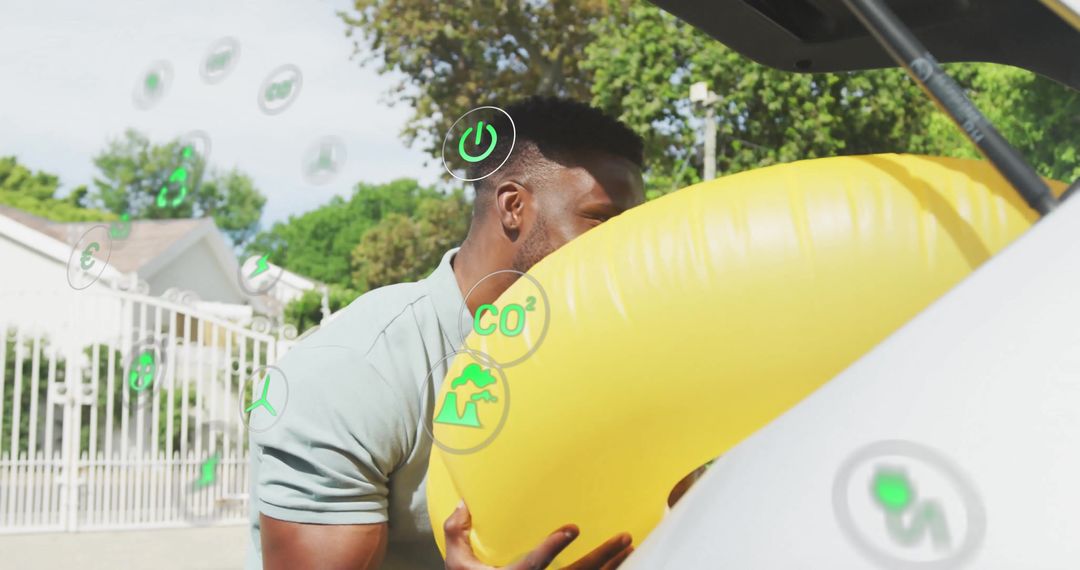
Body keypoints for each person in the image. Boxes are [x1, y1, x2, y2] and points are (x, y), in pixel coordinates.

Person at [247, 96, 646, 570]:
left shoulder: (607, 353)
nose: (624, 245)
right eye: (602, 220)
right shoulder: (356, 369)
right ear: (514, 206)